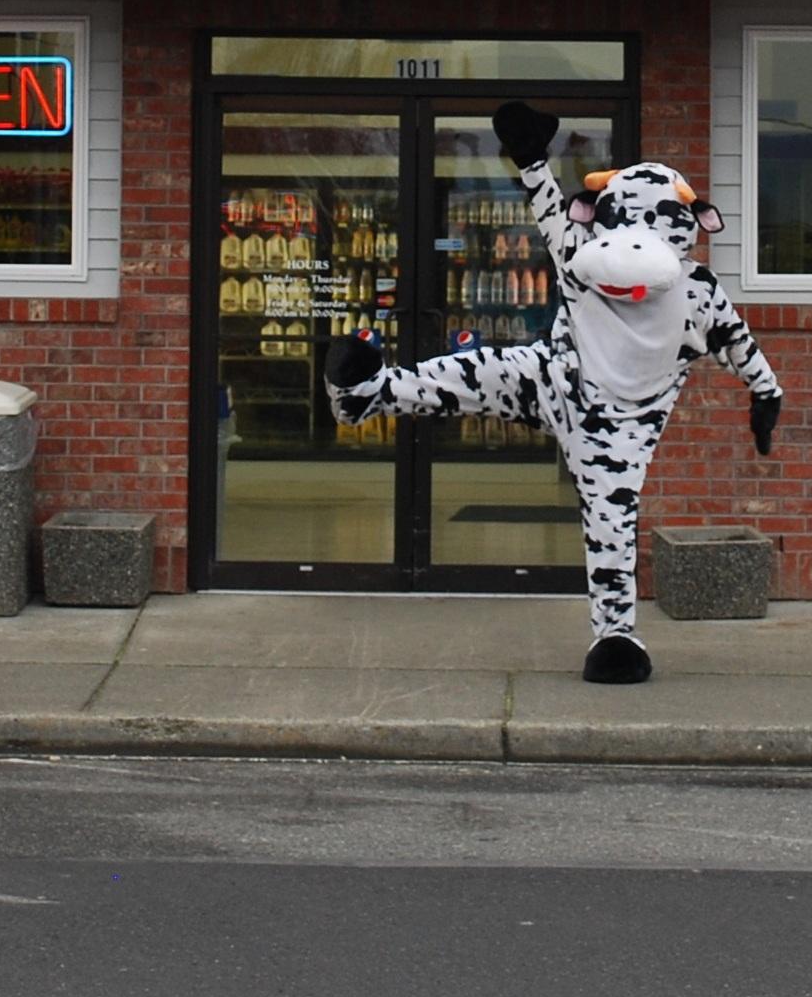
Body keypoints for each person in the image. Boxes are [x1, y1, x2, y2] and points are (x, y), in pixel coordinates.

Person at [325, 100, 783, 684]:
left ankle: (615, 634)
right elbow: (551, 219)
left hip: (621, 425)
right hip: (553, 377)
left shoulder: (696, 291)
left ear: (693, 229)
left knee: (611, 518)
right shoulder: (583, 262)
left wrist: (765, 393)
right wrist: (532, 158)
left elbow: (737, 342)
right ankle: (365, 392)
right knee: (469, 375)